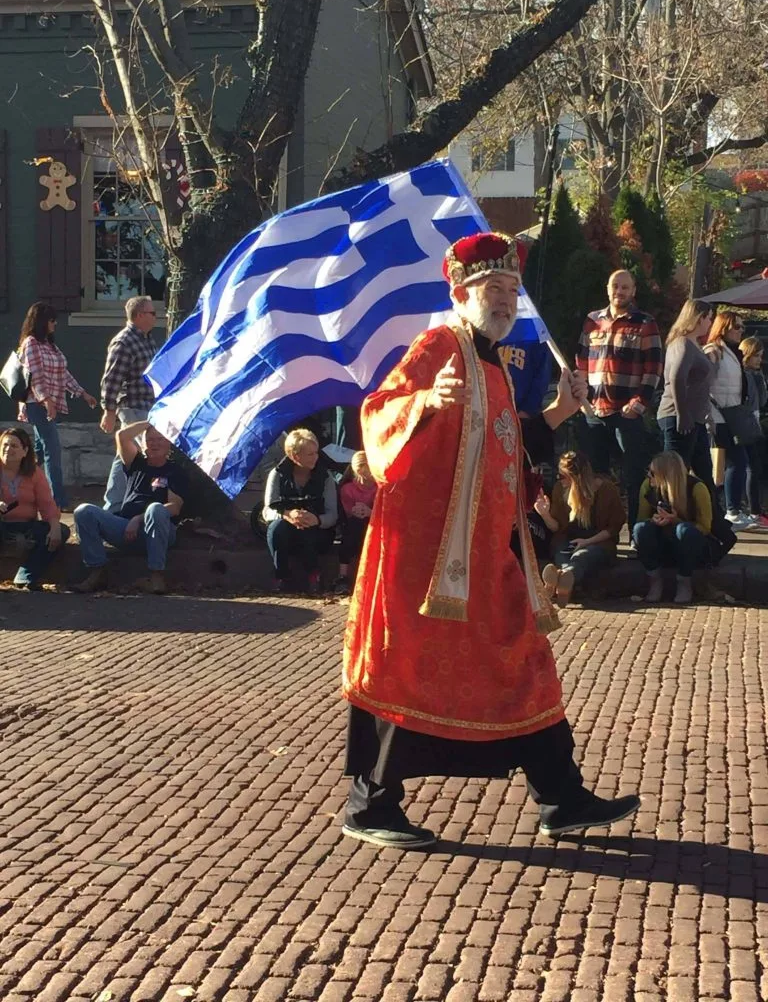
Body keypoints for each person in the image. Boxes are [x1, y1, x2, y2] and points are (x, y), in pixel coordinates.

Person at [342, 231, 640, 849]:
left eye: (511, 289)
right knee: (405, 670)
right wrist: (425, 400)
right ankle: (370, 805)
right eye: (493, 288)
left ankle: (561, 798)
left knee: (527, 664)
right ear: (460, 292)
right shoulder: (437, 346)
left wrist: (558, 412)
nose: (506, 299)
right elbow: (378, 414)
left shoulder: (494, 366)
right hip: (425, 562)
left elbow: (507, 445)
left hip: (491, 555)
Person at [576, 269, 662, 532]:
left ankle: (638, 532)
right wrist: (580, 397)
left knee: (634, 476)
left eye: (625, 287)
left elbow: (654, 368)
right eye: (615, 286)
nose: (619, 292)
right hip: (593, 411)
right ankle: (599, 534)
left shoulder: (645, 323)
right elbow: (580, 362)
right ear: (607, 289)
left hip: (627, 414)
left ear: (633, 291)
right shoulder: (592, 321)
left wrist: (638, 405)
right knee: (594, 476)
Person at [73, 422, 186, 594]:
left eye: (160, 439)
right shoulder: (136, 463)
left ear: (169, 442)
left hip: (158, 531)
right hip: (126, 530)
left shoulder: (175, 470)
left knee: (155, 508)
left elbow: (174, 507)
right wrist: (152, 421)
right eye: (150, 440)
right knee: (84, 511)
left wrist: (138, 518)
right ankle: (97, 571)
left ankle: (156, 575)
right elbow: (122, 436)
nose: (154, 443)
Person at [17, 302, 97, 508]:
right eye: (52, 320)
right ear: (42, 321)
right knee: (53, 450)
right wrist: (46, 401)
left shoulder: (50, 346)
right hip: (37, 405)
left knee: (38, 453)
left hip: (48, 404)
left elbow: (64, 374)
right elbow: (36, 376)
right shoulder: (31, 343)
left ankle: (20, 487)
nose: (55, 324)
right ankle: (57, 501)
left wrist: (82, 393)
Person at [536, 450, 626, 607]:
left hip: (597, 542)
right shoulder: (559, 489)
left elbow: (613, 528)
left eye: (563, 476)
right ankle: (563, 579)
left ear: (576, 477)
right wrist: (544, 514)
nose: (559, 480)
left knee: (583, 556)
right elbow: (556, 526)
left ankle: (558, 581)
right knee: (562, 554)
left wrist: (587, 541)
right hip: (567, 541)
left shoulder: (606, 490)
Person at [262, 428, 338, 593]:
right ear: (295, 456)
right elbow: (267, 510)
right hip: (286, 531)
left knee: (307, 528)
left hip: (316, 533)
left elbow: (333, 514)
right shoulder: (277, 475)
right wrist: (287, 515)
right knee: (276, 528)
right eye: (310, 454)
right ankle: (281, 576)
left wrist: (316, 519)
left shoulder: (325, 477)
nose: (316, 457)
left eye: (316, 453)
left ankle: (314, 576)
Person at [100, 296, 158, 513]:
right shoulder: (124, 342)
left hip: (147, 406)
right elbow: (112, 378)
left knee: (125, 454)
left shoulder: (146, 339)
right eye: (152, 313)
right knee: (136, 453)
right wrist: (109, 411)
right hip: (132, 406)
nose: (155, 317)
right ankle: (114, 507)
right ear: (140, 315)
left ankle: (117, 506)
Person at [633, 451, 713, 604]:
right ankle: (654, 580)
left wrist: (675, 520)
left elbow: (705, 527)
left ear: (665, 475)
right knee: (640, 529)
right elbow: (641, 519)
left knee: (684, 531)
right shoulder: (647, 486)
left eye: (652, 473)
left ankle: (685, 582)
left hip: (689, 546)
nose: (649, 476)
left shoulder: (697, 487)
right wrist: (653, 520)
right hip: (661, 543)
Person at [0, 427, 70, 589]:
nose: (8, 449)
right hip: (2, 525)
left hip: (27, 526)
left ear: (25, 451)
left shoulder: (34, 472)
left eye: (14, 446)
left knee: (61, 531)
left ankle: (26, 576)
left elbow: (47, 504)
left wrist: (54, 527)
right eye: (4, 445)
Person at [656, 299, 714, 490]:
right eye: (708, 318)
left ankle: (713, 517)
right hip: (679, 416)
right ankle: (668, 512)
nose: (710, 324)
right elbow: (677, 377)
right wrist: (682, 413)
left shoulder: (693, 345)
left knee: (704, 472)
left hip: (695, 418)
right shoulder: (683, 343)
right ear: (699, 318)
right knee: (675, 473)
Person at [704, 311, 750, 529]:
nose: (741, 331)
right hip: (719, 415)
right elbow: (703, 381)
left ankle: (731, 508)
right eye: (737, 327)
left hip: (730, 413)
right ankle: (731, 509)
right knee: (735, 461)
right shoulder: (715, 351)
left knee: (736, 460)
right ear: (724, 328)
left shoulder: (732, 353)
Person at [335, 451, 377, 595]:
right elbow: (347, 512)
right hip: (354, 524)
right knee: (353, 529)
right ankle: (343, 577)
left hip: (375, 523)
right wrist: (355, 511)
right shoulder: (348, 489)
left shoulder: (379, 488)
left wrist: (370, 512)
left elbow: (383, 510)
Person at [739, 335, 768, 528]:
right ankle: (754, 509)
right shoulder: (746, 375)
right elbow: (756, 400)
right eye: (756, 356)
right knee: (751, 466)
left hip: (752, 422)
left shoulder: (754, 374)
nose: (760, 360)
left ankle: (754, 507)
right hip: (746, 423)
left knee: (752, 466)